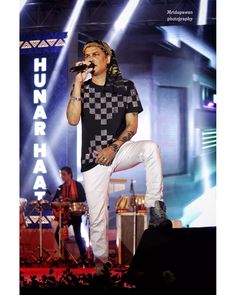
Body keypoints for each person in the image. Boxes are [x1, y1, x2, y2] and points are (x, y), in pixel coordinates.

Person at [66, 40, 172, 275]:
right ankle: (101, 267)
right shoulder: (82, 89)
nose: (90, 57)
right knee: (98, 217)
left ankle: (156, 210)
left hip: (118, 150)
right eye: (86, 54)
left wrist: (112, 148)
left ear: (107, 58)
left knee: (150, 148)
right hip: (93, 158)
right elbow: (73, 120)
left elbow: (132, 126)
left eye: (95, 53)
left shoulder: (126, 87)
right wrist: (77, 82)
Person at [53, 166, 88, 265]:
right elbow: (54, 200)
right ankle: (64, 255)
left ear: (70, 174)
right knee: (57, 234)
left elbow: (82, 198)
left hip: (75, 215)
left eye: (64, 174)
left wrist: (71, 200)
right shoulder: (60, 188)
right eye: (61, 174)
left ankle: (84, 257)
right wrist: (58, 201)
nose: (62, 176)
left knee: (78, 236)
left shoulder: (77, 185)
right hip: (64, 216)